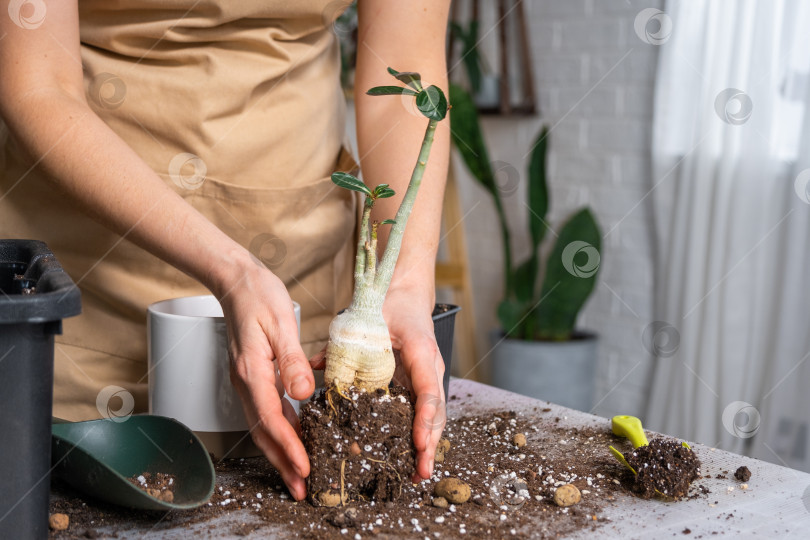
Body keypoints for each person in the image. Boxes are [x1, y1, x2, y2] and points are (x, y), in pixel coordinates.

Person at [0, 0, 451, 501]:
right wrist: (233, 271)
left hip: (302, 282)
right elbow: (39, 88)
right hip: (88, 298)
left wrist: (405, 284)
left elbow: (405, 72)